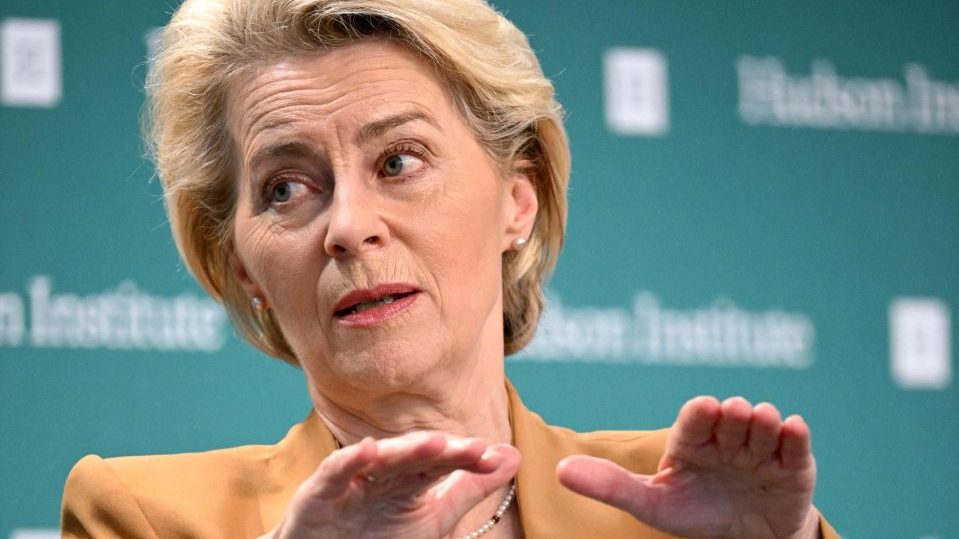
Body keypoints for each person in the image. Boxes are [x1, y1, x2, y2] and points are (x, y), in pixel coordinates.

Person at [61, 1, 839, 537]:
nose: (349, 227)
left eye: (398, 161)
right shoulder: (142, 515)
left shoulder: (678, 508)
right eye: (285, 189)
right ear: (243, 267)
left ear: (517, 201)